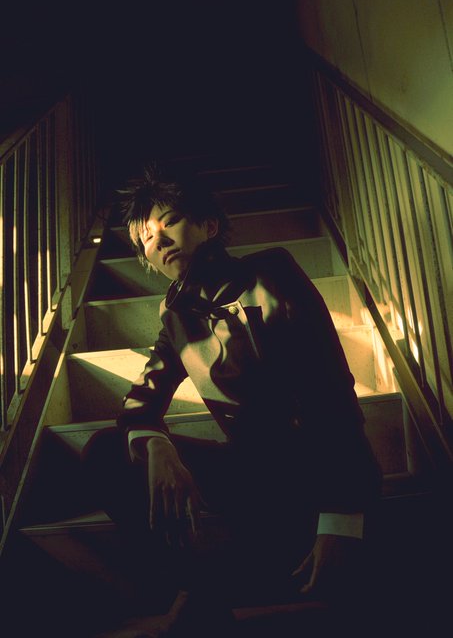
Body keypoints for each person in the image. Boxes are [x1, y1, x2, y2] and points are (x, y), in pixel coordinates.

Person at [86, 163, 382, 637]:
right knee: (105, 452)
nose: (159, 240)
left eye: (170, 222)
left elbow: (330, 397)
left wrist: (340, 519)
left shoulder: (270, 274)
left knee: (330, 588)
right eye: (146, 238)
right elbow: (142, 400)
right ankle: (193, 590)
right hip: (251, 474)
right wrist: (157, 443)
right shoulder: (175, 314)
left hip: (311, 471)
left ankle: (222, 594)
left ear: (209, 226)